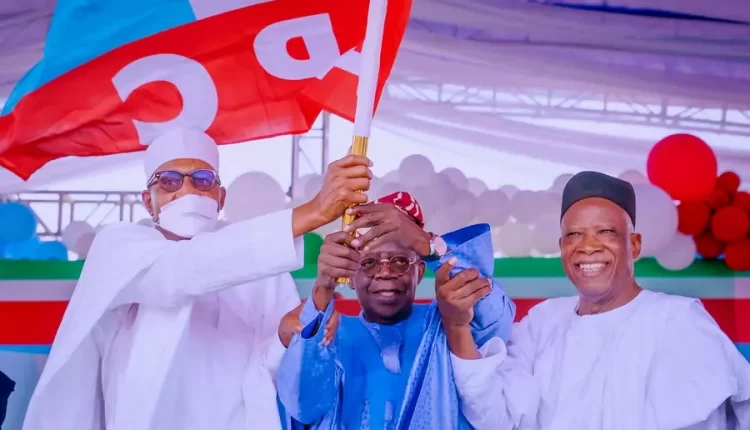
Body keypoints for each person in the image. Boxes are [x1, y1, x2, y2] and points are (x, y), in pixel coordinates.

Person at [22, 128, 374, 430]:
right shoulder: (119, 248)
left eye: (203, 180)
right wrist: (313, 212)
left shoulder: (266, 268)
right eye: (169, 181)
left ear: (220, 197)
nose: (188, 191)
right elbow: (178, 271)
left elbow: (272, 371)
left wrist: (285, 335)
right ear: (148, 201)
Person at [449, 171, 750, 430]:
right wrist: (458, 326)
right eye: (574, 235)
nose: (588, 246)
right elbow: (496, 418)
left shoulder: (678, 320)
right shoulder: (542, 322)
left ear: (634, 245)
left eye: (605, 232)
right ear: (562, 247)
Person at [275, 191, 516, 429]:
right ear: (351, 275)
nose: (385, 272)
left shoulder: (448, 321)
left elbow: (492, 311)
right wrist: (323, 286)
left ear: (419, 271)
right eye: (369, 262)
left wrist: (427, 244)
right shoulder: (332, 334)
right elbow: (303, 405)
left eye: (400, 261)